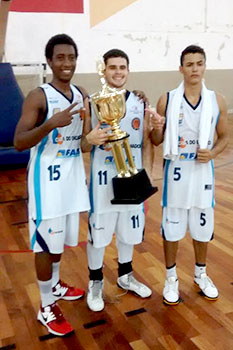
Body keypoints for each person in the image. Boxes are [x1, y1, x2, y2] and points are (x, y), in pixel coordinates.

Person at [14, 34, 109, 336]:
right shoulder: (38, 96)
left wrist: (91, 140)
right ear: (50, 61)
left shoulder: (82, 94)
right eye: (60, 58)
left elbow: (81, 143)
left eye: (70, 57)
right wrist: (47, 125)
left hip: (72, 180)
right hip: (47, 182)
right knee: (44, 244)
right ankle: (45, 306)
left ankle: (54, 284)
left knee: (59, 243)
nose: (66, 63)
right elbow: (18, 142)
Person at [148, 45, 228, 305]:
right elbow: (156, 140)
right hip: (177, 170)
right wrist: (157, 128)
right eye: (189, 64)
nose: (195, 68)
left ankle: (200, 274)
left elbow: (225, 137)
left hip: (203, 170)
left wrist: (213, 153)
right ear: (181, 68)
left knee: (202, 227)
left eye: (199, 63)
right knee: (172, 229)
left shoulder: (217, 100)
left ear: (205, 66)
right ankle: (171, 278)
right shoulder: (167, 99)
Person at [86, 49, 156, 312]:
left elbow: (148, 140)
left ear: (128, 70)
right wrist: (91, 141)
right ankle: (95, 282)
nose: (118, 72)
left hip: (132, 175)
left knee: (129, 232)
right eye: (112, 67)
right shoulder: (93, 102)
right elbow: (84, 142)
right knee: (99, 235)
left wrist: (147, 171)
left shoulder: (139, 102)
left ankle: (125, 276)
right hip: (103, 180)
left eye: (122, 67)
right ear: (103, 71)